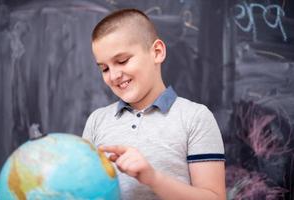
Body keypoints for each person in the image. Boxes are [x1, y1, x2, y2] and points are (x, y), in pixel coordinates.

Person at [82, 8, 226, 200]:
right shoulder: (96, 121)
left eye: (122, 61)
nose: (114, 76)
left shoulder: (196, 118)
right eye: (105, 68)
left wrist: (153, 178)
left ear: (157, 52)